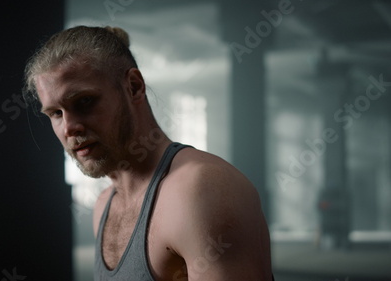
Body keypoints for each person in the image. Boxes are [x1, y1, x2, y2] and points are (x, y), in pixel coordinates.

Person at [24, 25, 273, 280]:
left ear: (133, 86)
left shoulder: (201, 190)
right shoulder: (104, 206)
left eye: (84, 102)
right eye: (55, 113)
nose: (69, 127)